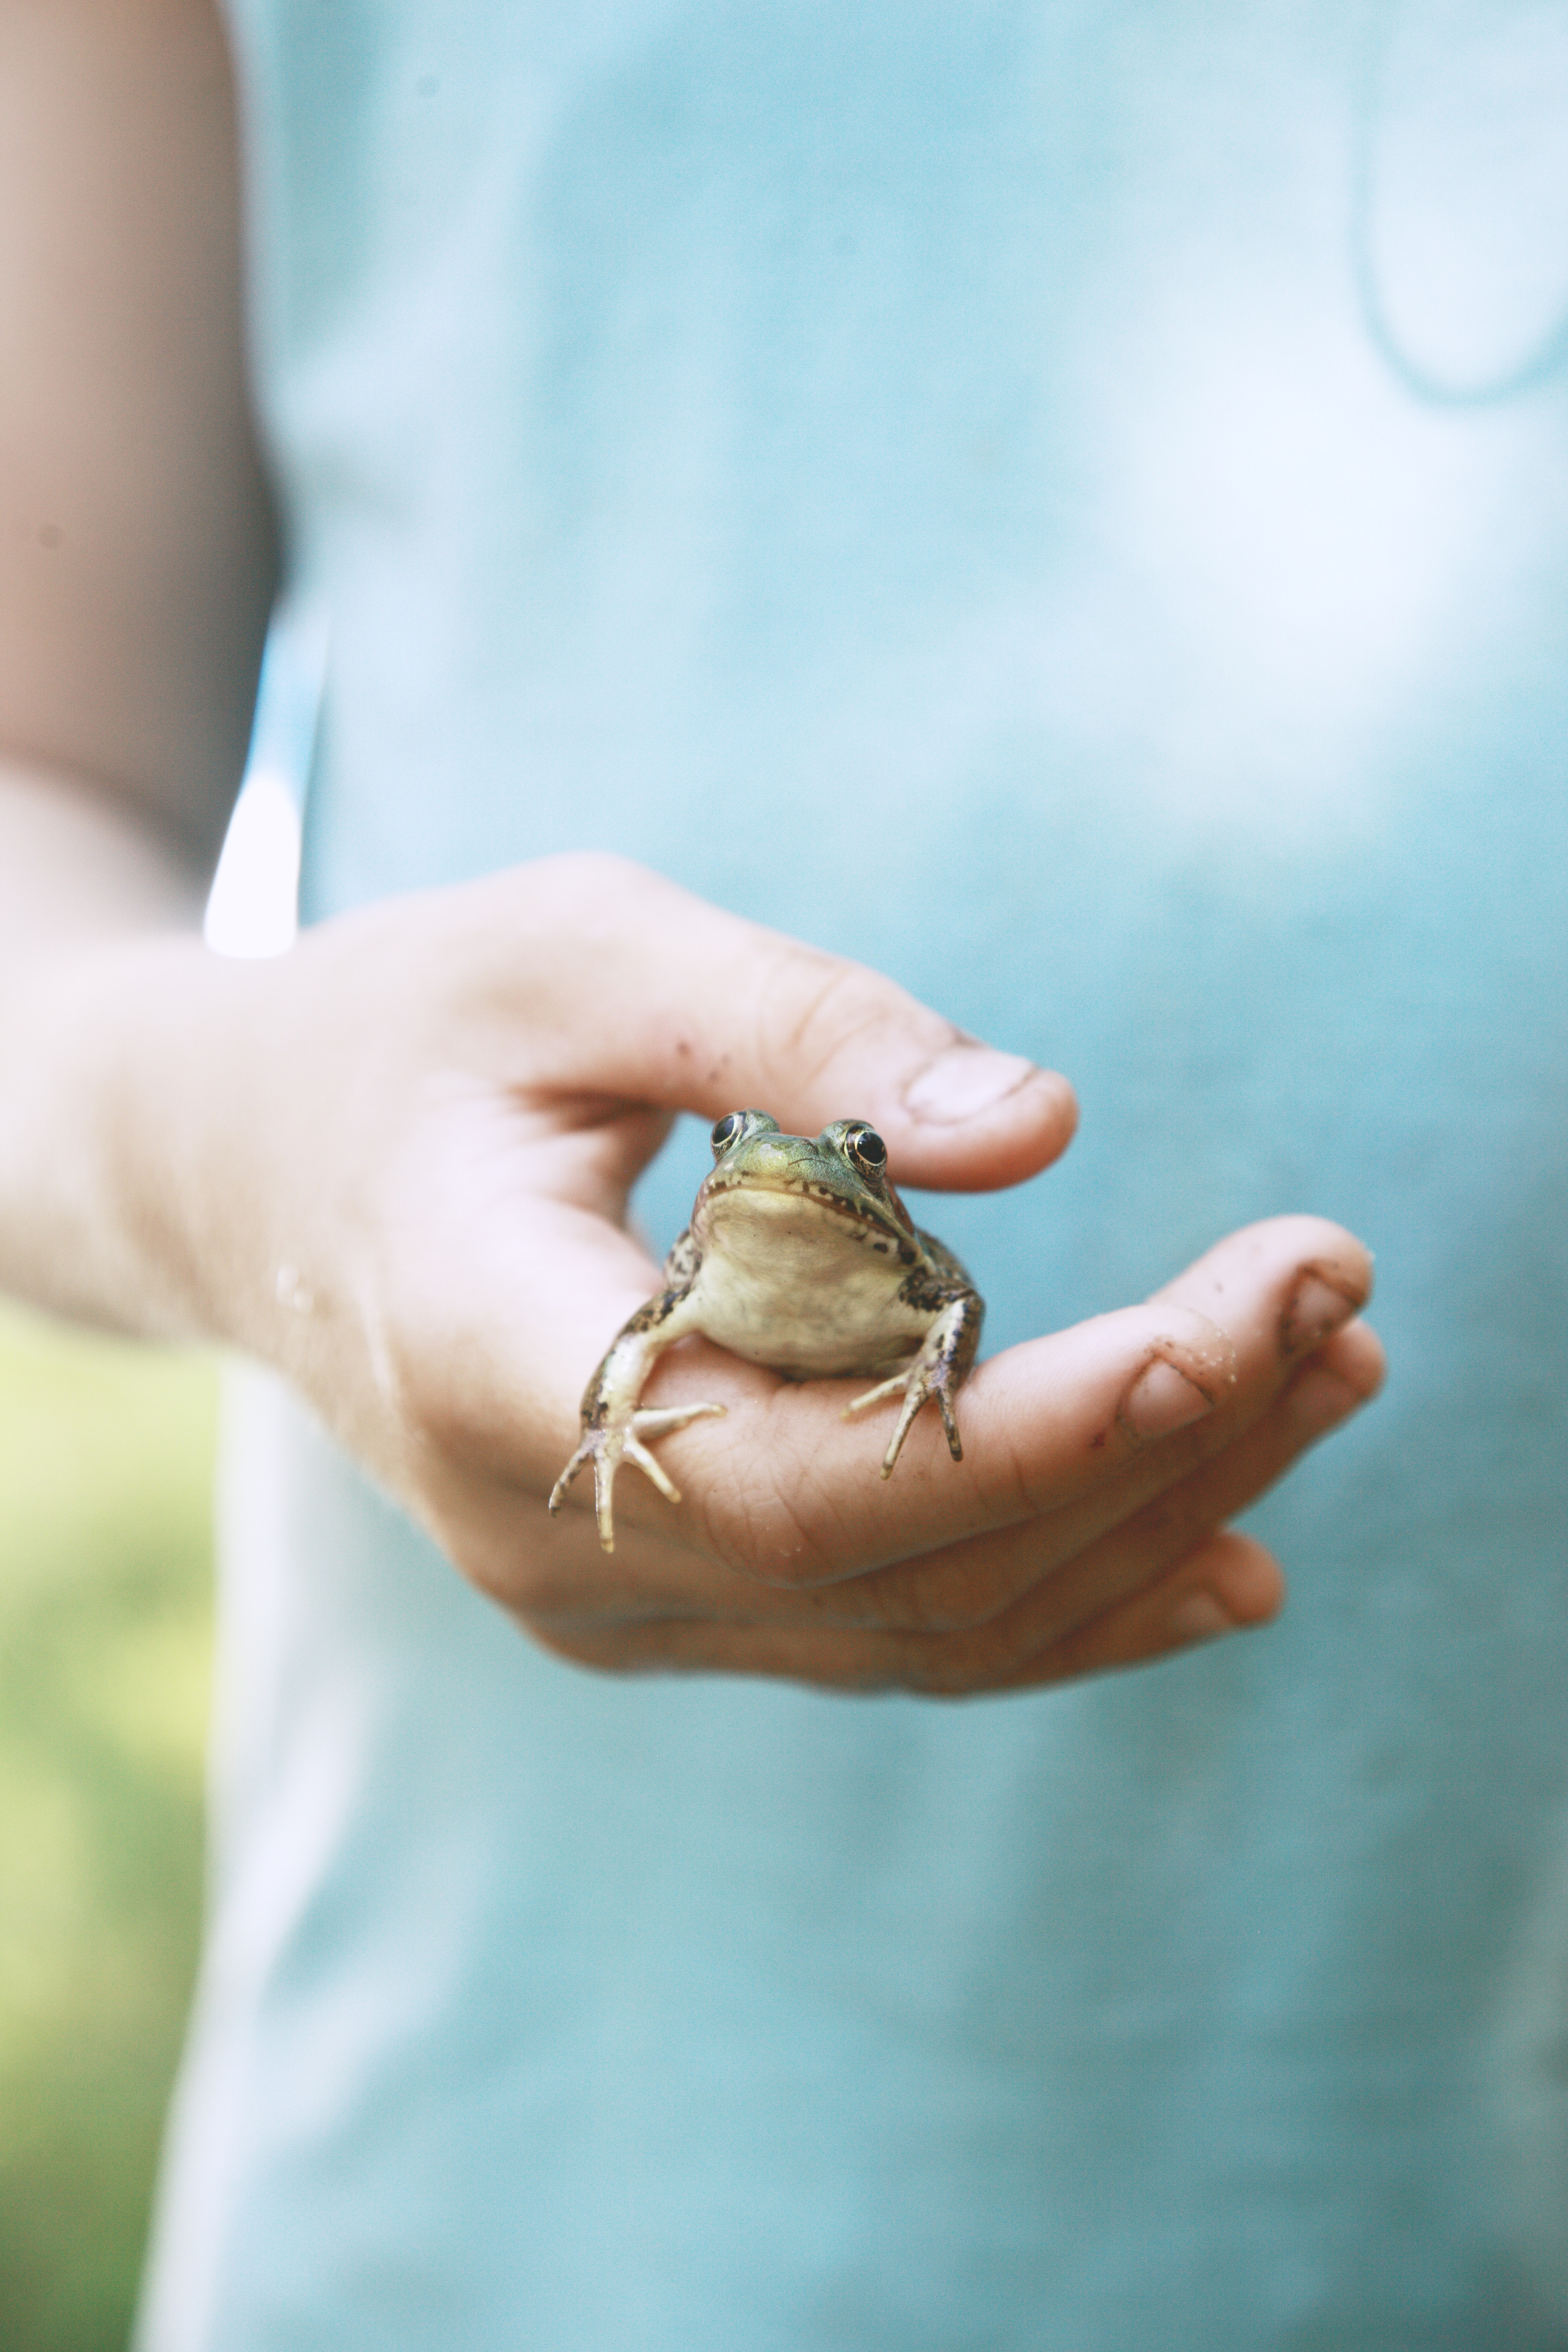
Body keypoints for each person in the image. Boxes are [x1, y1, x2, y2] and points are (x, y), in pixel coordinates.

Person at [0, 2, 1561, 2345]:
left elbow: (925, 1304)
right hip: (522, 2216)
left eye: (806, 1164)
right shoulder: (741, 1238)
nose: (779, 1182)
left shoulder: (867, 1252)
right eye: (770, 1164)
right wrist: (268, 1176)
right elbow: (49, 767)